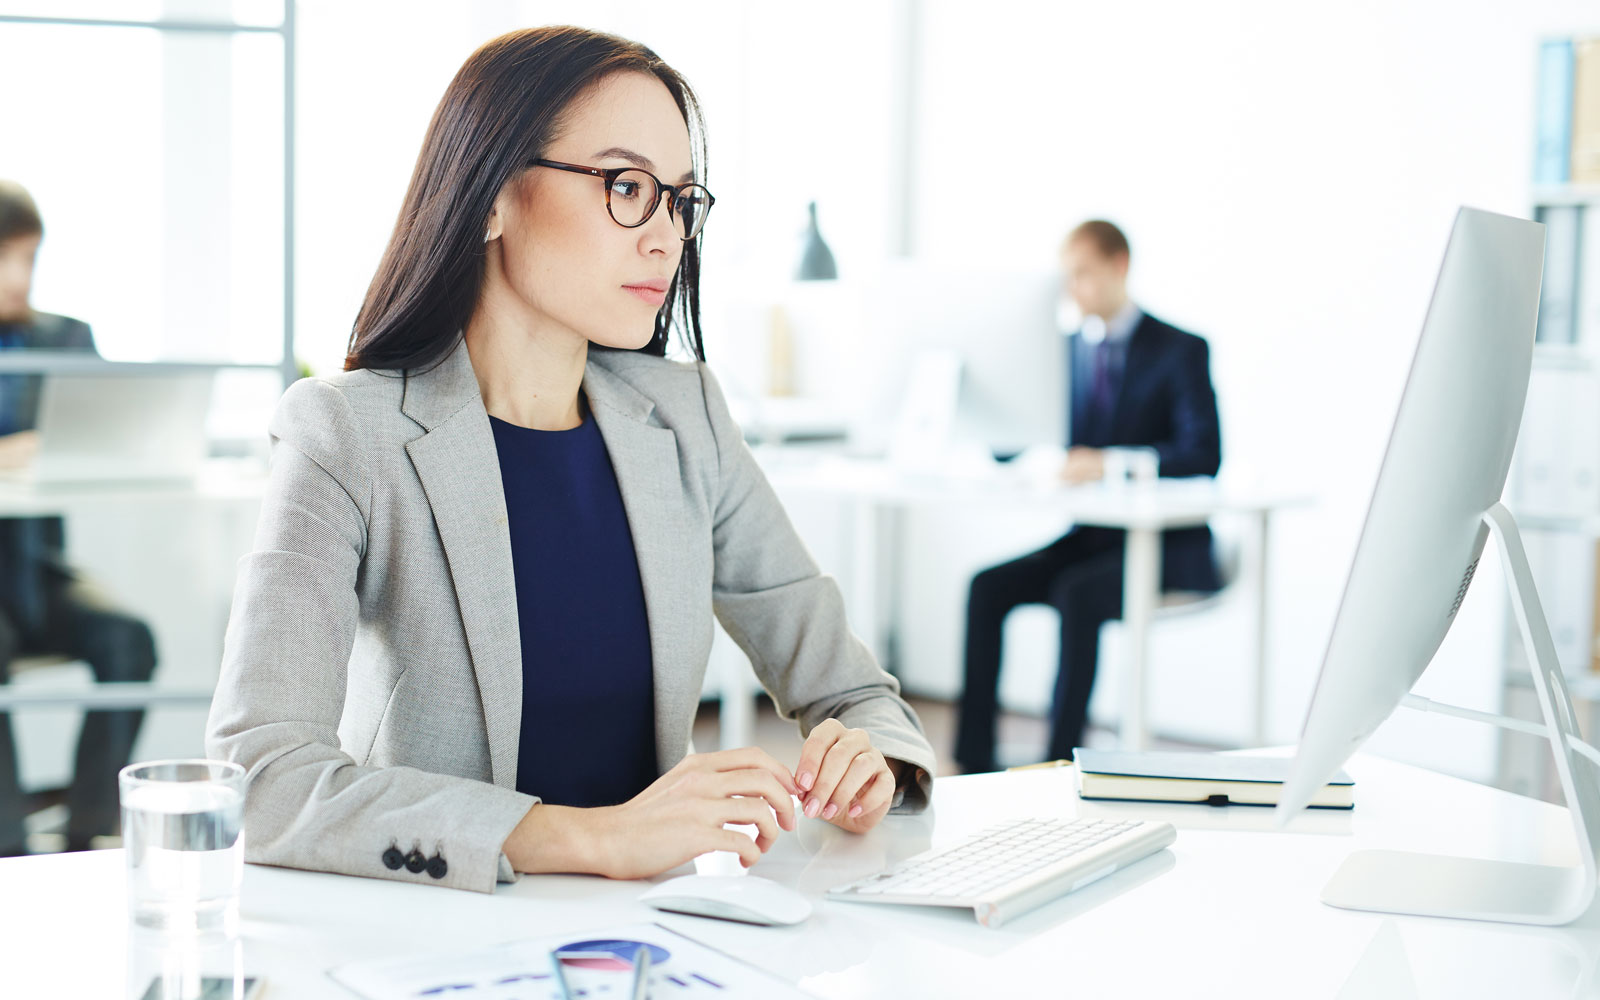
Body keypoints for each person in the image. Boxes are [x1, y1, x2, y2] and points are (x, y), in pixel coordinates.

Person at [204, 26, 936, 893]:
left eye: (679, 199)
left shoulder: (687, 417)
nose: (665, 236)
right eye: (626, 186)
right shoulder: (344, 434)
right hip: (428, 943)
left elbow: (855, 692)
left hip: (651, 947)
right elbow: (260, 776)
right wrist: (593, 838)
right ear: (490, 196)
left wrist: (874, 762)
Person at [954, 220, 1222, 773]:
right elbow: (1025, 432)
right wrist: (990, 403)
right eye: (1067, 277)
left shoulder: (1180, 350)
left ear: (1118, 266)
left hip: (1171, 544)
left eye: (1083, 274)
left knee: (1078, 595)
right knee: (988, 587)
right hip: (1094, 538)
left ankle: (1059, 763)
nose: (1073, 289)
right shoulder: (1065, 352)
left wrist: (1110, 463)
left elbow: (1203, 454)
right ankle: (973, 763)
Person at [0, 179, 159, 856]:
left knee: (130, 642)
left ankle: (86, 827)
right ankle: (8, 845)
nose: (19, 279)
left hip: (39, 568)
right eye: (5, 258)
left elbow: (111, 432)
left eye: (29, 259)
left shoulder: (66, 338)